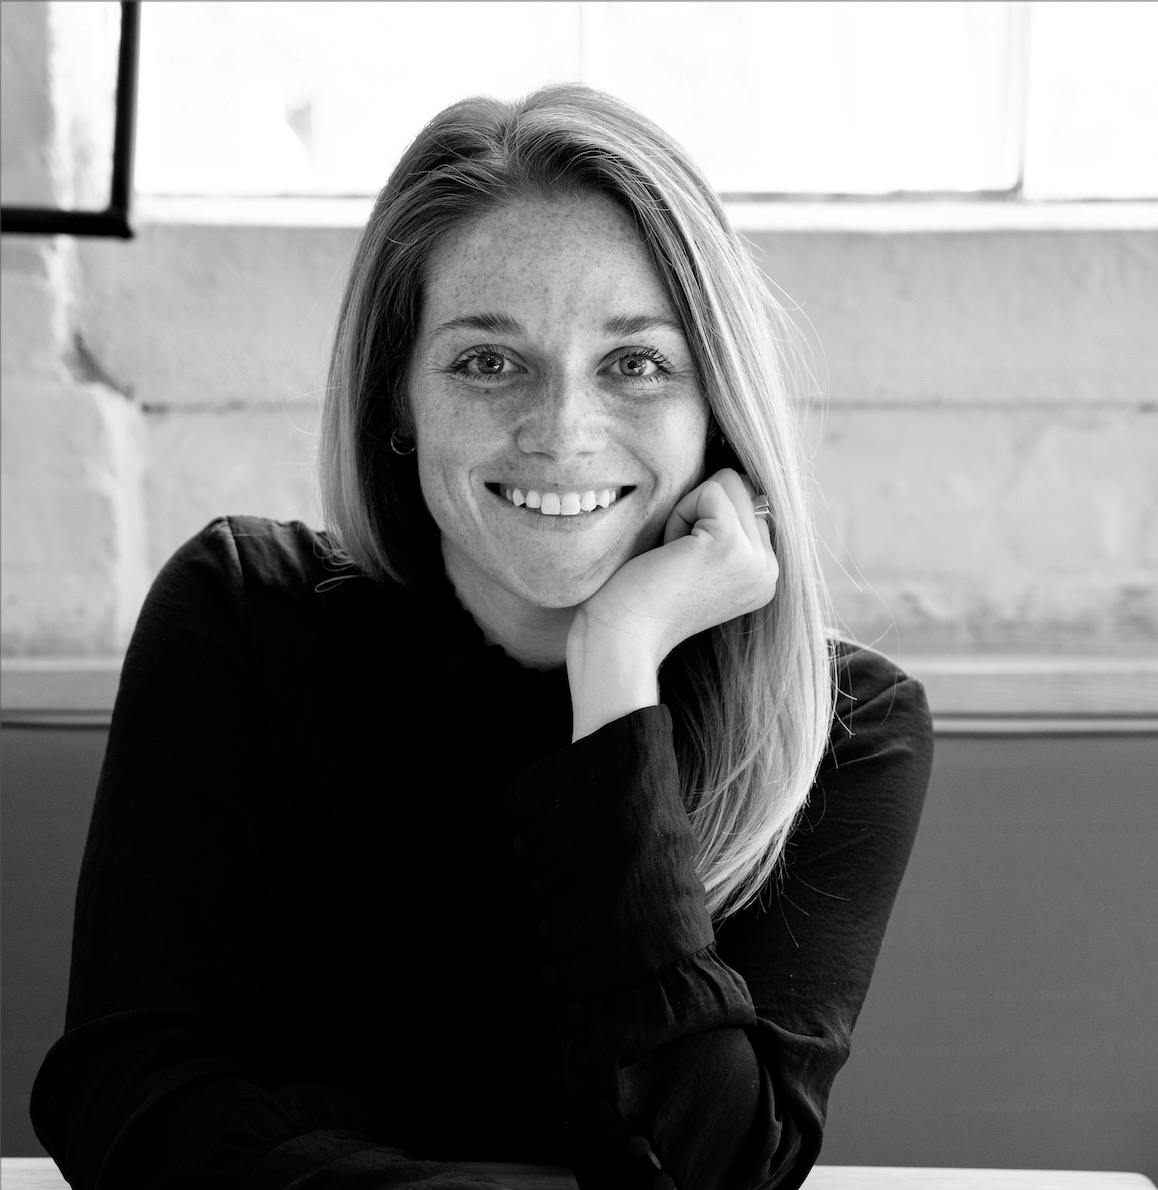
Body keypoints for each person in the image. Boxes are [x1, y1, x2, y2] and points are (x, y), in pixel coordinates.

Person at [30, 85, 934, 1190]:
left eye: (636, 363)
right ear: (397, 400)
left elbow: (716, 1167)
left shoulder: (842, 730)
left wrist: (617, 662)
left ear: (717, 406)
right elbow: (130, 1089)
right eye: (487, 361)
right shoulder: (242, 620)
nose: (561, 430)